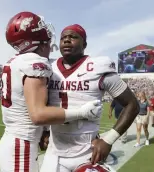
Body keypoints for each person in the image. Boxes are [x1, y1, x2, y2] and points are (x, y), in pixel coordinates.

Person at [0, 12, 103, 172]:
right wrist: (82, 113)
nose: (47, 33)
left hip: (14, 141)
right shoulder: (34, 62)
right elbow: (38, 115)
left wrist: (45, 131)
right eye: (41, 28)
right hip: (21, 146)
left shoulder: (15, 61)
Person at [40, 24, 140, 172]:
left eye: (73, 37)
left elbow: (132, 104)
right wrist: (45, 130)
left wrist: (108, 140)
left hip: (88, 153)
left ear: (84, 44)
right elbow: (42, 104)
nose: (67, 40)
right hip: (55, 153)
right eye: (63, 38)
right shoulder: (49, 68)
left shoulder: (97, 67)